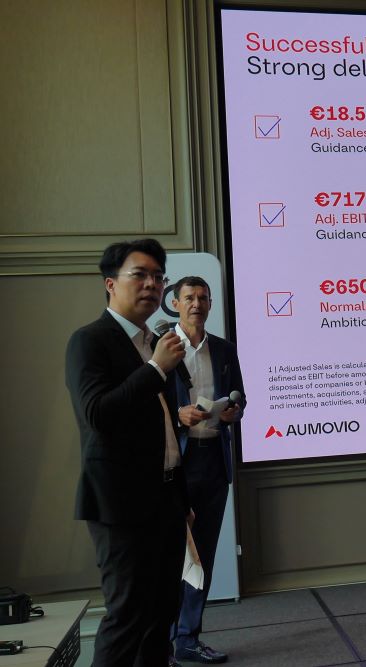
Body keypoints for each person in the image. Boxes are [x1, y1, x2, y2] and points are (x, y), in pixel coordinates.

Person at [65, 239, 189, 666]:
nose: (152, 284)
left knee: (162, 613)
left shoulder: (153, 341)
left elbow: (165, 428)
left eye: (158, 277)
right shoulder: (89, 341)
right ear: (110, 284)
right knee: (128, 616)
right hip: (120, 503)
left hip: (165, 499)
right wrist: (155, 369)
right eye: (140, 275)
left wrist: (182, 500)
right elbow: (97, 414)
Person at [169, 276, 246, 664]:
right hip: (174, 465)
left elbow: (240, 398)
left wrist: (234, 412)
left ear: (211, 304)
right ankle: (162, 641)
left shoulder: (225, 349)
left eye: (202, 298)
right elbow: (144, 405)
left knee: (204, 556)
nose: (196, 304)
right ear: (176, 303)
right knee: (171, 556)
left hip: (213, 460)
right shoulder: (161, 348)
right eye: (189, 298)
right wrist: (177, 415)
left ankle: (188, 638)